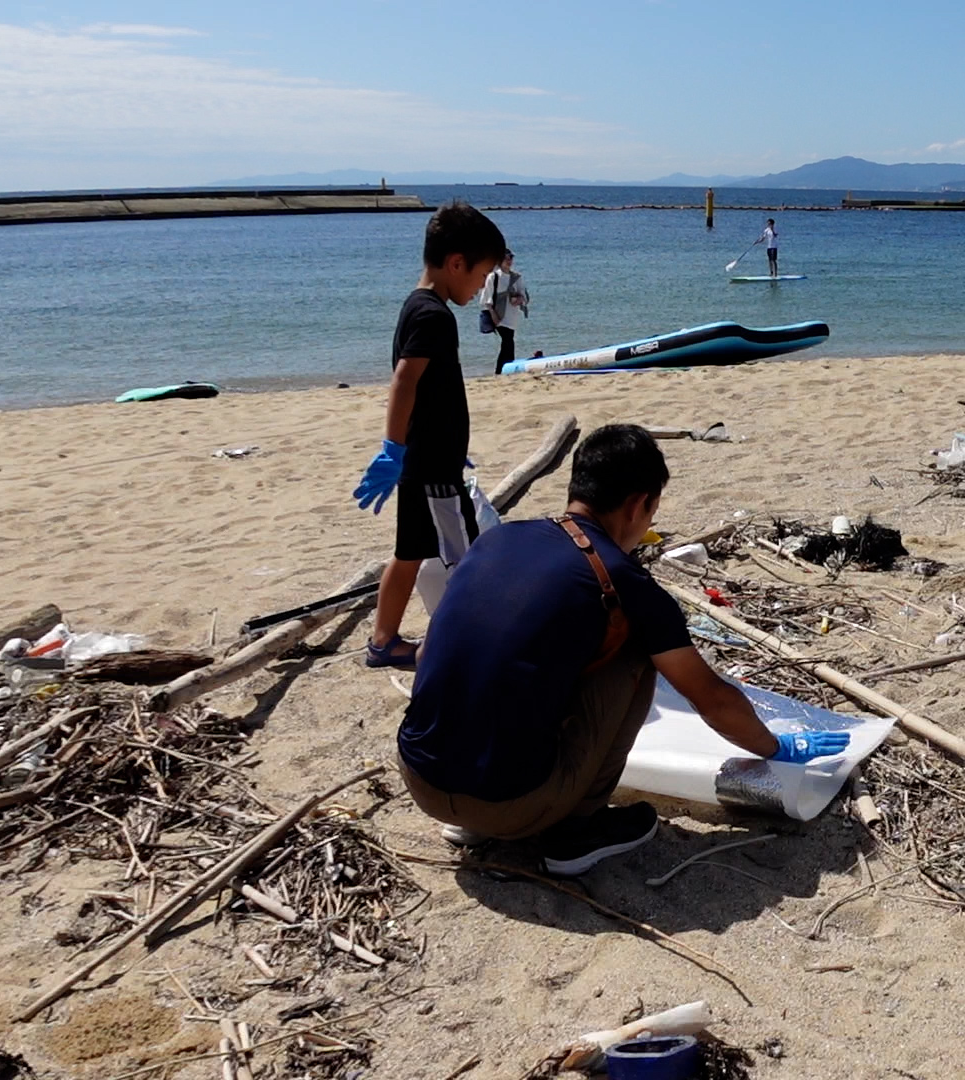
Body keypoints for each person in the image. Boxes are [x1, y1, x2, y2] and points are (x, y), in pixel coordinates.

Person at [397, 424, 851, 873]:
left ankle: (475, 821)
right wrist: (774, 748)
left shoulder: (497, 539)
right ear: (639, 505)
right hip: (510, 804)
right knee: (636, 652)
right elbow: (709, 697)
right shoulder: (622, 581)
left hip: (422, 781)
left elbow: (426, 656)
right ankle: (577, 831)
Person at [352, 201, 507, 670]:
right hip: (431, 470)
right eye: (481, 277)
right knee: (469, 558)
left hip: (429, 459)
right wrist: (392, 449)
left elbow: (428, 391)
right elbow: (405, 380)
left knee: (410, 553)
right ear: (456, 263)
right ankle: (470, 646)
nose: (481, 287)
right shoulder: (434, 316)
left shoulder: (416, 305)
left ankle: (383, 643)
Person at [480, 250, 530, 374]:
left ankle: (505, 369)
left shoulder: (516, 277)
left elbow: (524, 296)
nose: (509, 261)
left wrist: (517, 299)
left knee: (508, 341)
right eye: (506, 258)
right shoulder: (494, 277)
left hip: (512, 316)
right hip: (499, 315)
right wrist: (493, 315)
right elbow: (487, 299)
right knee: (508, 341)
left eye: (511, 258)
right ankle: (503, 370)